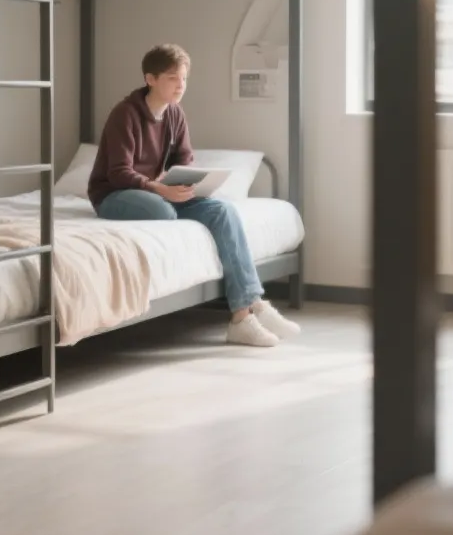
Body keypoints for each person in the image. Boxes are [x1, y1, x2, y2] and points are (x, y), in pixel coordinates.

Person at [88, 44, 299, 348]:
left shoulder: (175, 114)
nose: (181, 86)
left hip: (162, 192)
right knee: (163, 211)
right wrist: (160, 187)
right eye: (173, 78)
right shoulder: (125, 114)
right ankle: (252, 308)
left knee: (223, 211)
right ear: (151, 78)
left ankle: (246, 312)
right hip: (116, 195)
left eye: (184, 79)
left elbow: (184, 158)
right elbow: (119, 172)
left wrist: (187, 181)